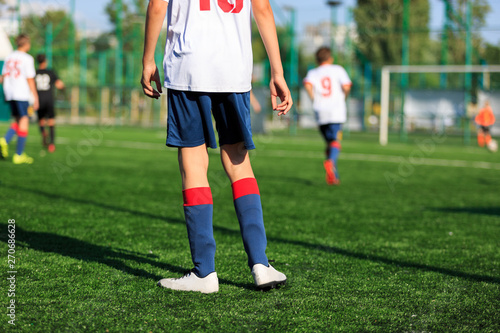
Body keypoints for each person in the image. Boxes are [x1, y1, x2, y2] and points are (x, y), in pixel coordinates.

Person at [141, 0, 292, 293]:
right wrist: (277, 72)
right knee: (239, 161)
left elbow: (157, 6)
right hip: (233, 69)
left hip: (189, 68)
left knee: (193, 164)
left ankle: (205, 273)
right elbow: (262, 9)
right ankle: (261, 265)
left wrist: (148, 59)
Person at [303, 47, 352, 185]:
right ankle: (330, 163)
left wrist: (314, 98)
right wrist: (343, 98)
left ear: (317, 60)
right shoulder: (338, 69)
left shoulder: (313, 72)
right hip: (336, 111)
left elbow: (307, 85)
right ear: (330, 58)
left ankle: (333, 176)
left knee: (329, 143)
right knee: (335, 141)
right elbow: (347, 86)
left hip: (320, 110)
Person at [0, 34, 39, 164]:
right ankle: (18, 154)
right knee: (24, 120)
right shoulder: (27, 58)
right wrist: (35, 96)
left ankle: (5, 140)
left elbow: (3, 76)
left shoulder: (9, 57)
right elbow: (30, 79)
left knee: (18, 119)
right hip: (21, 93)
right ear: (26, 44)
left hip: (9, 92)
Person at [35, 53, 65, 153]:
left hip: (38, 100)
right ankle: (51, 144)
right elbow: (59, 85)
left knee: (41, 121)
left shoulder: (35, 72)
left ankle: (43, 132)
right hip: (49, 99)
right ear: (45, 61)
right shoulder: (50, 72)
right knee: (51, 121)